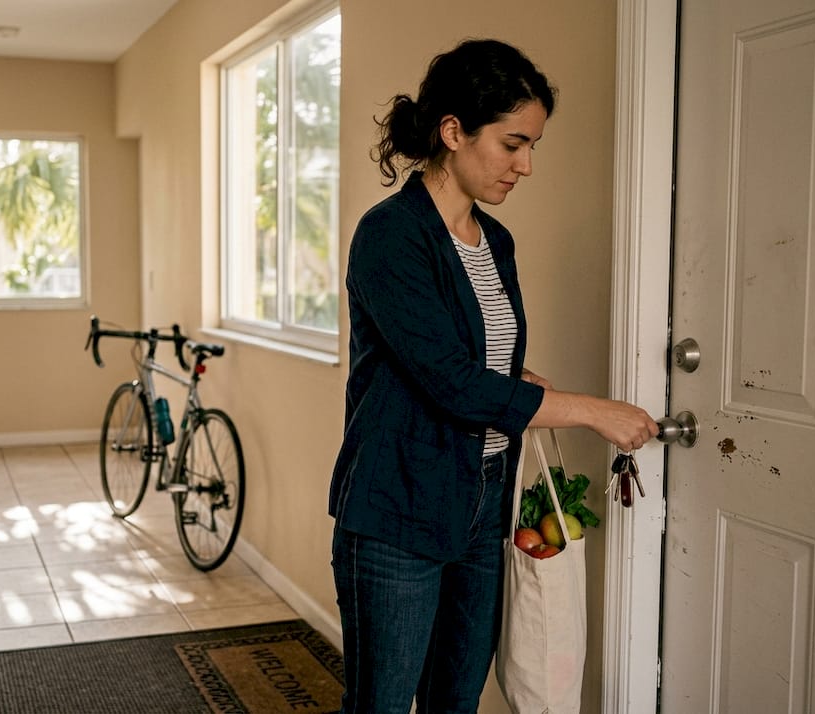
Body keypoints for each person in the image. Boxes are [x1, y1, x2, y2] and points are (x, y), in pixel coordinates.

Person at [328, 38, 659, 713]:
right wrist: (593, 411)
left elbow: (476, 358)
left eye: (532, 146)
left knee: (457, 700)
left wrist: (519, 377)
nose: (526, 165)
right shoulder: (391, 236)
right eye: (512, 144)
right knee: (383, 704)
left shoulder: (494, 241)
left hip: (484, 501)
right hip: (400, 506)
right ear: (453, 131)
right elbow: (452, 382)